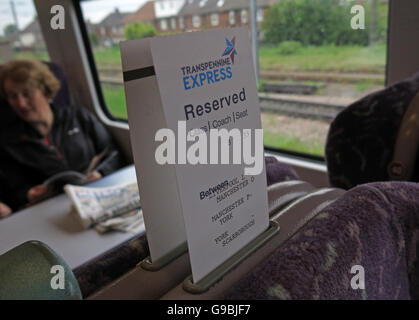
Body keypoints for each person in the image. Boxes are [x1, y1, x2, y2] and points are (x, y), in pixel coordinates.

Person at [0, 59, 125, 214]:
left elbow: (113, 152)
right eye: (13, 96)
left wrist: (101, 173)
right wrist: (29, 194)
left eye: (27, 94)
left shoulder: (78, 116)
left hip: (100, 194)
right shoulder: (9, 141)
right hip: (53, 212)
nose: (21, 104)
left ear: (45, 92)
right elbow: (14, 190)